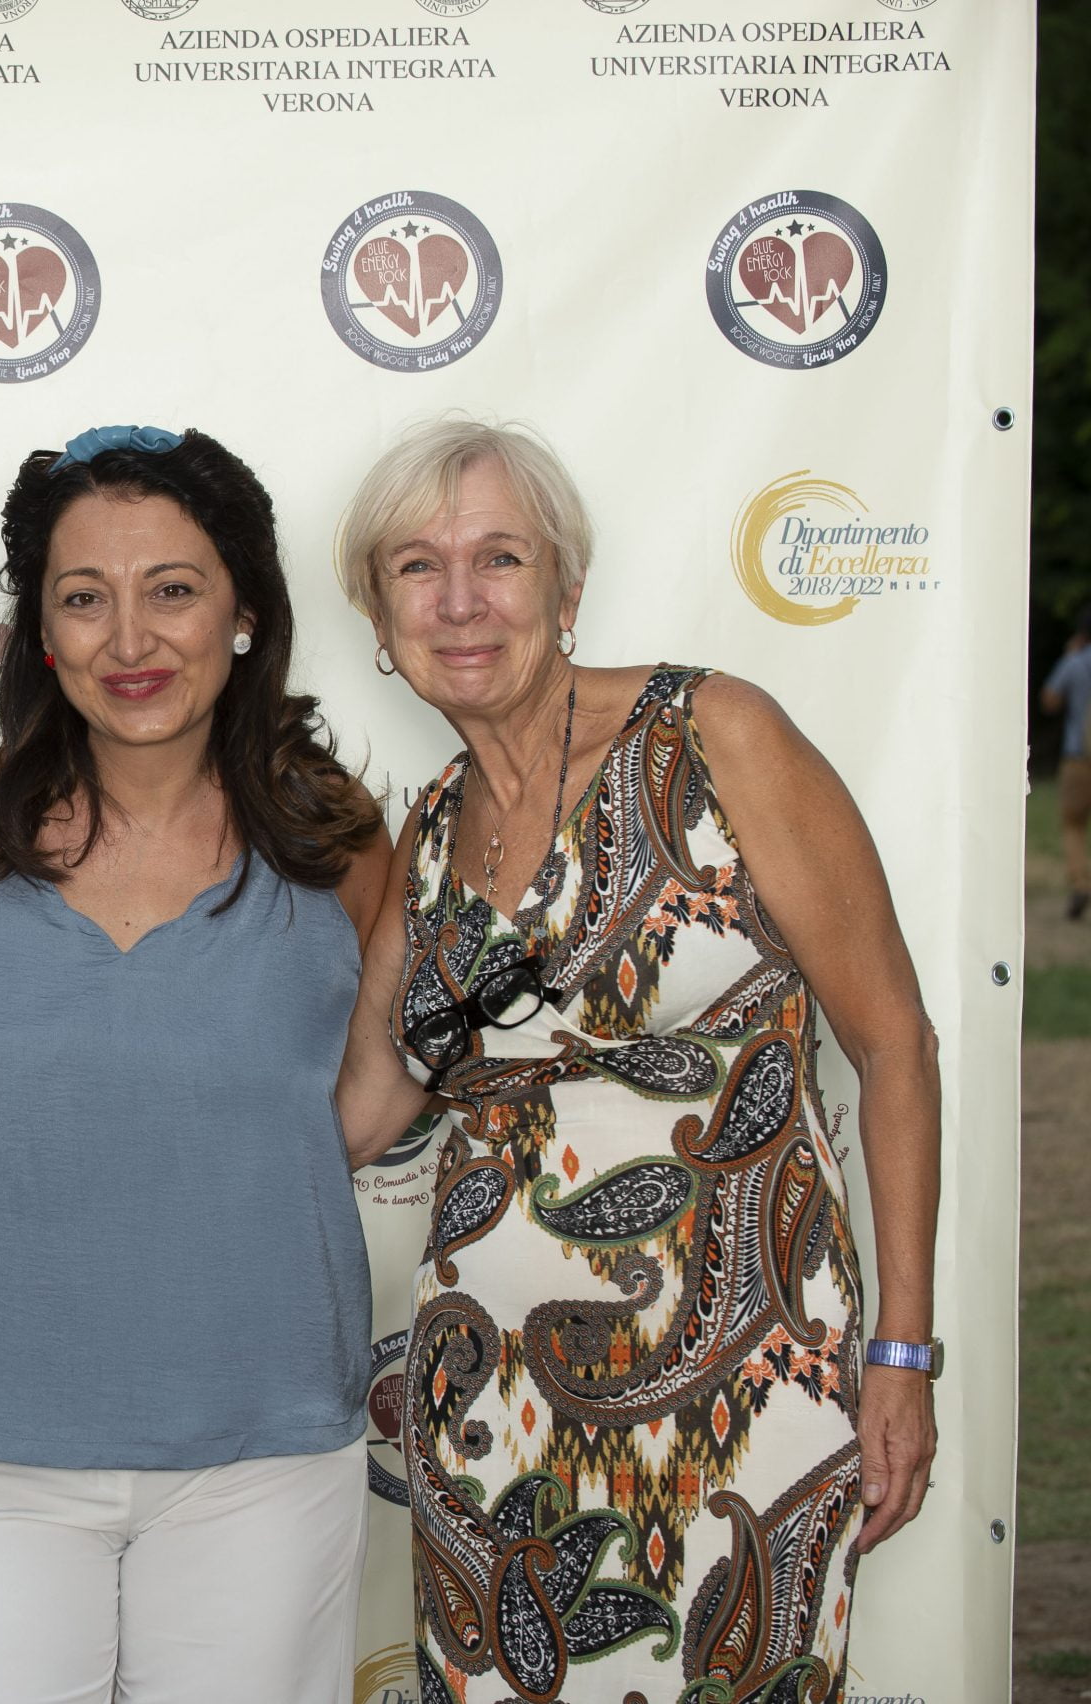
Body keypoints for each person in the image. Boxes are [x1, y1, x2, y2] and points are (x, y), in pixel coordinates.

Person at [331, 417, 942, 1704]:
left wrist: (900, 1357)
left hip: (743, 1384)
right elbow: (365, 1108)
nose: (458, 602)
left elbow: (894, 1045)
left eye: (498, 558)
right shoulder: (427, 832)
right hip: (489, 1406)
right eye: (416, 568)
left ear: (565, 586)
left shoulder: (713, 734)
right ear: (377, 616)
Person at [0, 425, 393, 1703]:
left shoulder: (336, 836)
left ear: (244, 613)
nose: (129, 639)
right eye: (84, 597)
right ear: (41, 630)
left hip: (262, 1447)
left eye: (172, 590)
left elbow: (374, 1086)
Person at [1041, 608, 1091, 918]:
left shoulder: (1075, 662)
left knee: (1073, 825)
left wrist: (1071, 655)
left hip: (1079, 759)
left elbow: (1050, 700)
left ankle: (1081, 883)